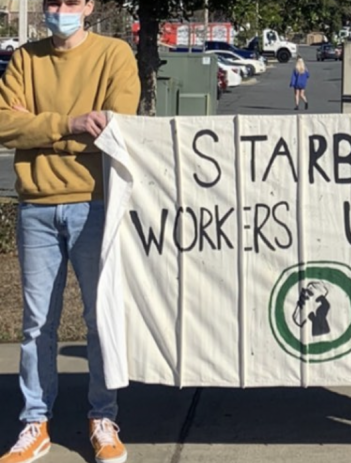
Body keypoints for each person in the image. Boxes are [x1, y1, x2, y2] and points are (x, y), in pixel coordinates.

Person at [0, 1, 140, 463]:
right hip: (36, 206)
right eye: (53, 2)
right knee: (37, 324)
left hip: (96, 205)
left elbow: (117, 127)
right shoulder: (25, 58)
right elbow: (4, 123)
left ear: (90, 6)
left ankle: (103, 417)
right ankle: (34, 422)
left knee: (102, 321)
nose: (61, 10)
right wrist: (71, 123)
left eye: (71, 2)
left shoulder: (114, 55)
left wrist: (36, 126)